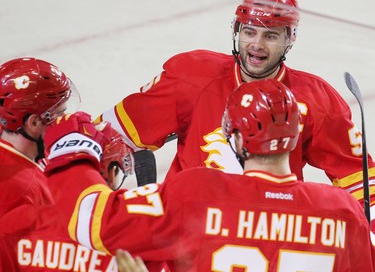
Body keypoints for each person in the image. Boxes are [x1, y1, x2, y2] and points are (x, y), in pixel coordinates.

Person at [95, 0, 375, 224]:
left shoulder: (315, 100)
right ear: (236, 31)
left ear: (289, 39)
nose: (257, 44)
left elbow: (360, 180)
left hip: (266, 231)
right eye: (250, 32)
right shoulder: (192, 78)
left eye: (271, 36)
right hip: (186, 227)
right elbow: (109, 136)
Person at [45, 79, 375, 271]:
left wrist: (69, 149)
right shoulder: (343, 210)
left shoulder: (198, 192)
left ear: (234, 138)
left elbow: (91, 219)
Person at [0, 57, 130, 271]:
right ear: (33, 123)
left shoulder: (19, 158)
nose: (63, 120)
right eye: (58, 114)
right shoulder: (25, 190)